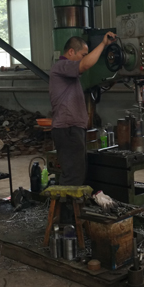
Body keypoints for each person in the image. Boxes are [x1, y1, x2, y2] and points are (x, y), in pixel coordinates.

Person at [49, 31, 116, 186]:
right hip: (68, 129)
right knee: (73, 176)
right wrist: (103, 44)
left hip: (72, 129)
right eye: (83, 55)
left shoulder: (69, 74)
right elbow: (85, 65)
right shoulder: (61, 66)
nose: (84, 58)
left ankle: (71, 201)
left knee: (76, 173)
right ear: (71, 52)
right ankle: (68, 202)